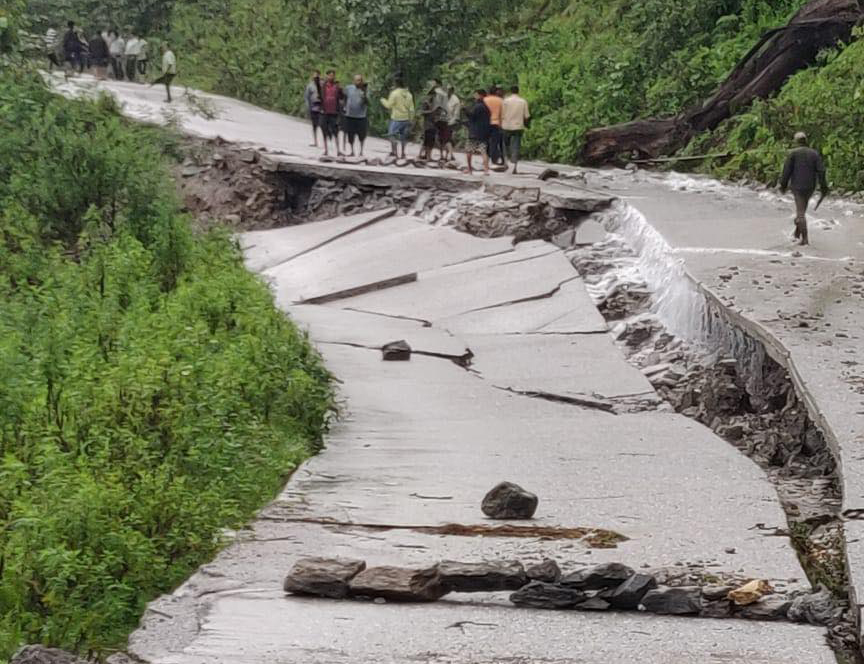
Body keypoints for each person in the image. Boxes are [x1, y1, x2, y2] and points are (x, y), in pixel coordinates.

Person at [780, 131, 829, 246]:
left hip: (797, 187)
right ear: (806, 141)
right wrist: (823, 187)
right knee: (802, 210)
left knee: (800, 214)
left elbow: (786, 171)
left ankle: (805, 239)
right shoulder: (814, 154)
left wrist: (783, 185)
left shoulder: (793, 153)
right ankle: (797, 234)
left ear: (796, 141)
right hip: (810, 186)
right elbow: (821, 171)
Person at [381, 76, 414, 159]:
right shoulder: (409, 95)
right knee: (403, 137)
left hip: (396, 118)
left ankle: (395, 151)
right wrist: (411, 119)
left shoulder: (394, 93)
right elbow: (411, 108)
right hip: (406, 118)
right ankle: (403, 153)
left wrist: (382, 100)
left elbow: (388, 105)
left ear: (396, 84)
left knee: (391, 134)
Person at [501, 85, 531, 174]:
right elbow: (527, 116)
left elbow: (502, 114)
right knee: (516, 146)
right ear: (518, 91)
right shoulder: (523, 101)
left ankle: (506, 162)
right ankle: (514, 166)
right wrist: (526, 124)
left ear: (510, 91)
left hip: (506, 126)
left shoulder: (505, 101)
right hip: (518, 126)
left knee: (505, 145)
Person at [465, 89, 491, 176]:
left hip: (474, 132)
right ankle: (486, 170)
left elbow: (472, 117)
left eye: (476, 95)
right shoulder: (486, 107)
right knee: (483, 151)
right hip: (483, 133)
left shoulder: (477, 106)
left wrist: (465, 111)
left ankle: (469, 169)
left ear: (481, 95)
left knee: (469, 151)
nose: (474, 96)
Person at [343, 74, 369, 157]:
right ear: (353, 81)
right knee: (350, 135)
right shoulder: (348, 88)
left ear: (362, 81)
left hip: (361, 116)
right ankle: (352, 151)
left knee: (362, 135)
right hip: (350, 116)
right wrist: (344, 106)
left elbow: (368, 102)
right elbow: (344, 96)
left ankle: (361, 152)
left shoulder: (365, 90)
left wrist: (364, 94)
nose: (358, 82)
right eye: (356, 80)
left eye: (359, 80)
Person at [320, 70, 344, 157]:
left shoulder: (337, 86)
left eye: (332, 75)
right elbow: (320, 97)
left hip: (334, 112)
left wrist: (341, 89)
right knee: (324, 130)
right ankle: (326, 150)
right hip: (324, 112)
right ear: (326, 76)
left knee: (335, 132)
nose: (331, 77)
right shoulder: (323, 86)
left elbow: (342, 97)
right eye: (329, 75)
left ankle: (338, 150)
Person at [484, 85, 504, 165]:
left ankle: (486, 159)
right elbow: (502, 114)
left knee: (486, 142)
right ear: (496, 92)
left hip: (486, 123)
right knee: (494, 142)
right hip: (496, 123)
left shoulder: (485, 100)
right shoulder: (500, 100)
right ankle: (494, 160)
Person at [304, 70, 323, 148]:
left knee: (323, 125)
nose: (316, 78)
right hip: (313, 107)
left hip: (322, 107)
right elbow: (307, 97)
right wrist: (308, 107)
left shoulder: (322, 85)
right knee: (314, 125)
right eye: (314, 77)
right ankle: (315, 141)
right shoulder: (310, 86)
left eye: (317, 77)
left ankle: (324, 141)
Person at [446, 86, 462, 161]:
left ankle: (451, 154)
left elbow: (456, 114)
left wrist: (451, 123)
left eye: (448, 90)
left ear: (452, 91)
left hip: (450, 122)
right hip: (443, 120)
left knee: (447, 138)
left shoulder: (456, 100)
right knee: (446, 139)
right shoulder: (444, 98)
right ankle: (448, 155)